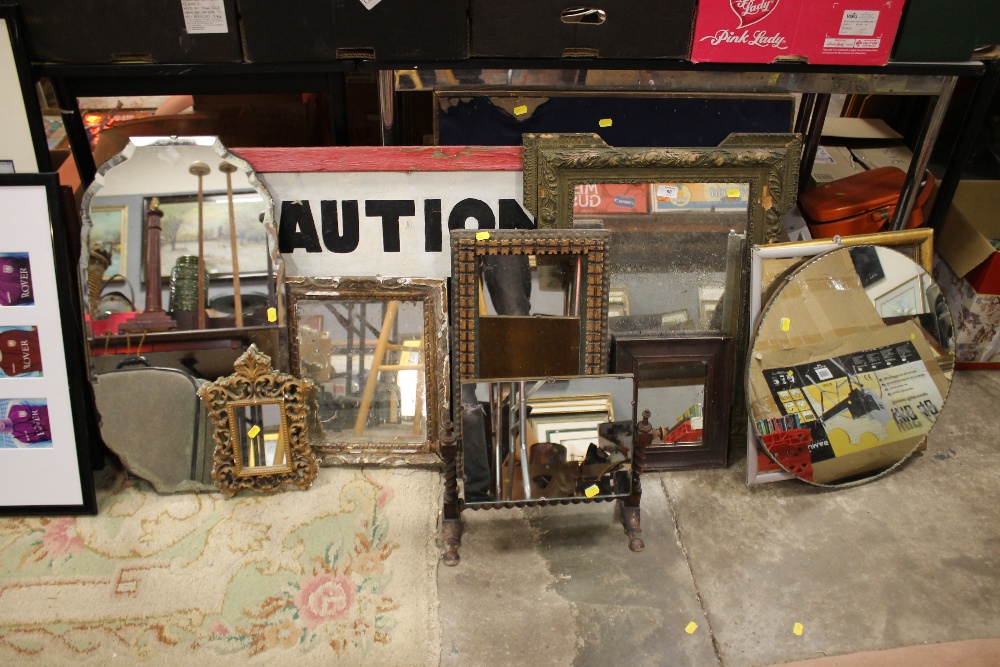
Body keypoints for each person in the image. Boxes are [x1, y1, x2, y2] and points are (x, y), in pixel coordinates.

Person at [462, 255, 531, 502]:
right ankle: (476, 491)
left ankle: (478, 489)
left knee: (518, 325)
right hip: (443, 230)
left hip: (494, 223)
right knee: (463, 388)